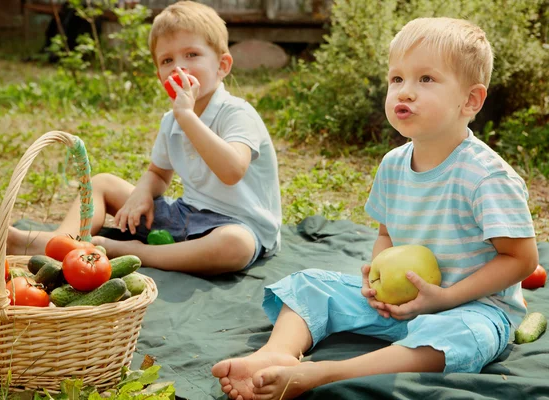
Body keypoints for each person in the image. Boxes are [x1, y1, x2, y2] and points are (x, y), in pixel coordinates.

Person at [212, 17, 539, 399]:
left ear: (470, 100)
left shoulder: (486, 176)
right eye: (397, 79)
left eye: (426, 79)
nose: (405, 92)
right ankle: (276, 354)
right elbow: (386, 234)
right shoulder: (393, 165)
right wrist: (377, 279)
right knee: (311, 284)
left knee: (462, 336)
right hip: (402, 304)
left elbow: (520, 258)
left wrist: (446, 299)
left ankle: (326, 373)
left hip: (472, 308)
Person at [8, 1, 282, 275]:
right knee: (102, 183)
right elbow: (159, 175)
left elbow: (232, 171)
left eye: (192, 54)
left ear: (222, 65)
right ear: (159, 73)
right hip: (186, 217)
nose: (179, 68)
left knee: (235, 246)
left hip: (238, 226)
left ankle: (131, 251)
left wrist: (187, 116)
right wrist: (142, 193)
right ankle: (60, 244)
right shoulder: (172, 120)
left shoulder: (236, 113)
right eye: (167, 61)